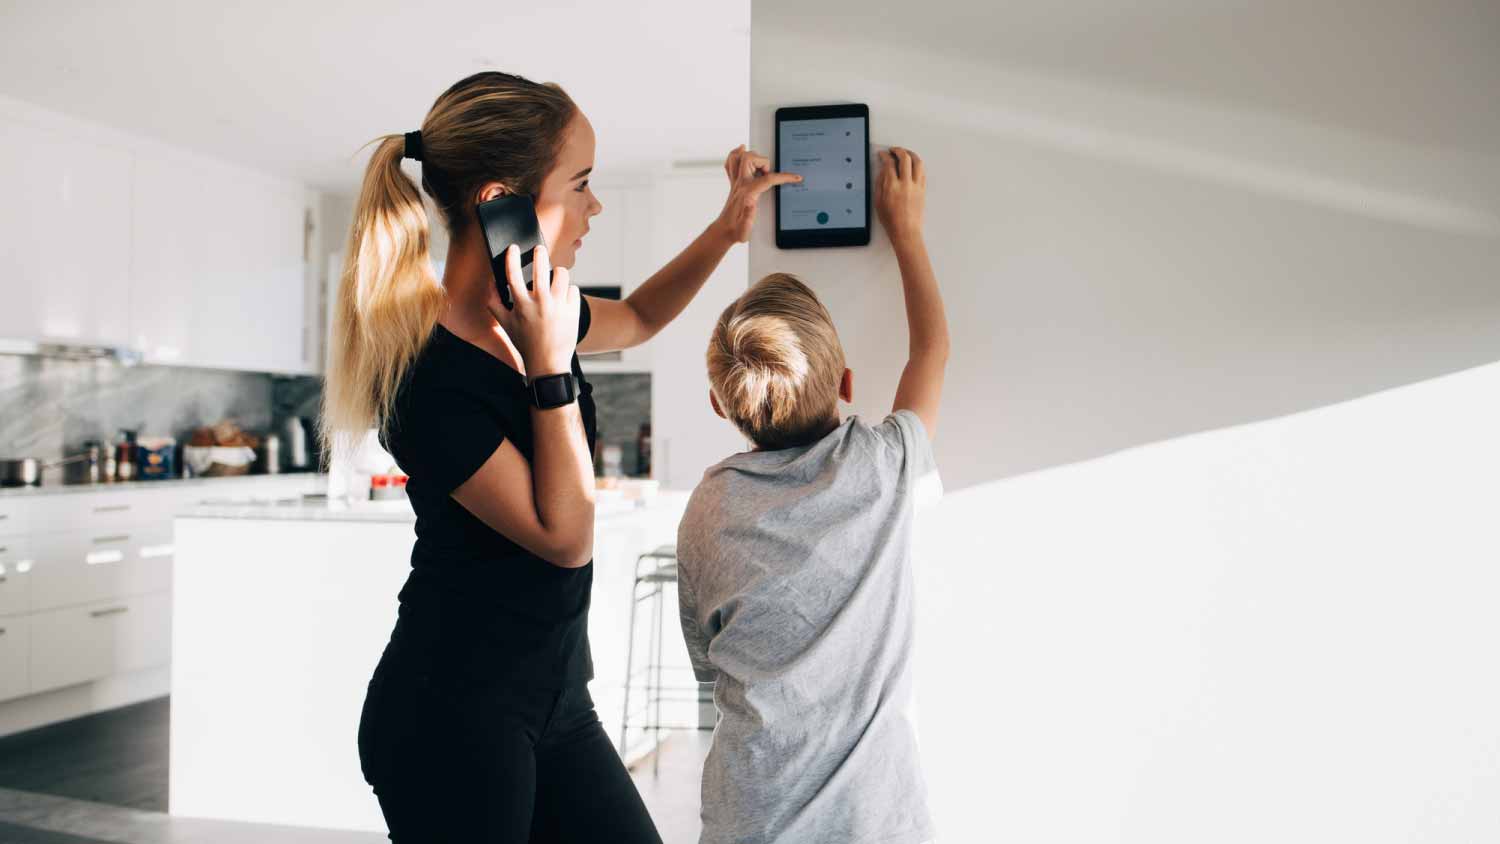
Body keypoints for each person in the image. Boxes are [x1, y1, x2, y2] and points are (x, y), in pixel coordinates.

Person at [320, 70, 797, 842]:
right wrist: (547, 368)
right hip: (452, 713)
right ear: (500, 201)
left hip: (556, 702)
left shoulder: (543, 308)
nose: (593, 206)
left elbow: (639, 317)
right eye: (579, 184)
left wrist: (726, 229)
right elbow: (564, 536)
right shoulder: (424, 377)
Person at [676, 146, 947, 844]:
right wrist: (907, 231)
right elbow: (931, 352)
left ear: (720, 405)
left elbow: (707, 661)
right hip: (872, 823)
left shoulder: (709, 509)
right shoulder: (884, 466)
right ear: (848, 383)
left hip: (750, 817)